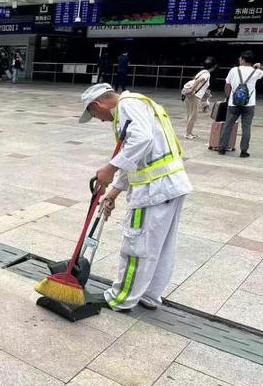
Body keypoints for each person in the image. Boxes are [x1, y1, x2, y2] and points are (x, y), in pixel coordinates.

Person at [79, 83, 192, 312]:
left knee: (137, 244)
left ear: (97, 104)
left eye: (94, 115)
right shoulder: (139, 104)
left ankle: (121, 297)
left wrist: (109, 168)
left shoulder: (127, 106)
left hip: (153, 191)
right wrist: (114, 191)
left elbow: (142, 140)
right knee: (160, 247)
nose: (100, 120)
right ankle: (149, 295)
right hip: (171, 185)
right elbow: (137, 156)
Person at [218, 51, 262, 158]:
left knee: (228, 125)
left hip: (233, 103)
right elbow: (261, 70)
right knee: (246, 127)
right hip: (249, 104)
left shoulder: (234, 70)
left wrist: (229, 98)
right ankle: (244, 151)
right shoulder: (256, 72)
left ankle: (222, 148)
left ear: (242, 59)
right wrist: (259, 66)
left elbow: (227, 85)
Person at [182, 57, 217, 140]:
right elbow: (199, 80)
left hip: (193, 95)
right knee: (193, 115)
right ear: (213, 67)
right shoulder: (207, 74)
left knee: (190, 114)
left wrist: (204, 90)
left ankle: (189, 132)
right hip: (195, 96)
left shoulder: (202, 71)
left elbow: (197, 80)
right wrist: (192, 90)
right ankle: (188, 134)